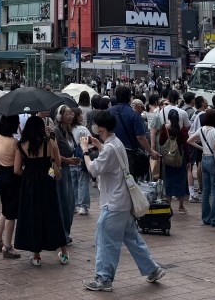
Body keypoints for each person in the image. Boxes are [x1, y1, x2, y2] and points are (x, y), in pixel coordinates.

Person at [79, 109, 166, 291]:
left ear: (101, 128)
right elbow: (110, 157)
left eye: (95, 124)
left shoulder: (110, 147)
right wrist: (98, 144)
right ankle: (152, 270)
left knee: (106, 241)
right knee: (132, 239)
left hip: (113, 204)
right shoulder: (116, 142)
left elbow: (94, 169)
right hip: (123, 202)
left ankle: (104, 279)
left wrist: (85, 151)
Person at [14, 115, 69, 266]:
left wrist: (28, 173)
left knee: (33, 216)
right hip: (47, 182)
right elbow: (58, 163)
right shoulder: (50, 143)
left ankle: (37, 256)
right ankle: (64, 253)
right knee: (53, 215)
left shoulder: (21, 145)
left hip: (29, 184)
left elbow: (17, 170)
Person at [188, 108, 215, 227]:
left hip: (204, 159)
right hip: (213, 160)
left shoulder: (201, 129)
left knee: (205, 191)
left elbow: (189, 140)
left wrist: (202, 149)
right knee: (214, 192)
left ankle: (206, 218)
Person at [110, 85, 157, 180]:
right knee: (129, 181)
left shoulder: (108, 112)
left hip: (111, 151)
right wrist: (150, 151)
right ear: (129, 98)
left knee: (113, 179)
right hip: (128, 153)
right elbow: (140, 137)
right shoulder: (134, 115)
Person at [0, 114, 22, 258]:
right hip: (12, 178)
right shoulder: (15, 143)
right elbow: (17, 169)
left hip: (2, 174)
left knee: (5, 209)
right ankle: (8, 246)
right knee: (11, 214)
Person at [53, 105, 81, 245]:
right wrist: (68, 160)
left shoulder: (68, 130)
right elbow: (54, 153)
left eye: (71, 114)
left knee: (69, 203)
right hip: (60, 170)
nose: (70, 116)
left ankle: (66, 232)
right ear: (60, 116)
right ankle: (62, 234)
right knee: (63, 203)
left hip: (68, 169)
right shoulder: (56, 131)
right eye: (67, 114)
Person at [159, 108, 190, 213]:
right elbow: (186, 146)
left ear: (169, 118)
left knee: (169, 180)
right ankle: (181, 206)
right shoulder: (183, 131)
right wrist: (188, 160)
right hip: (180, 158)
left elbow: (161, 142)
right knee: (180, 181)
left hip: (168, 158)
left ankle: (168, 205)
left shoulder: (165, 129)